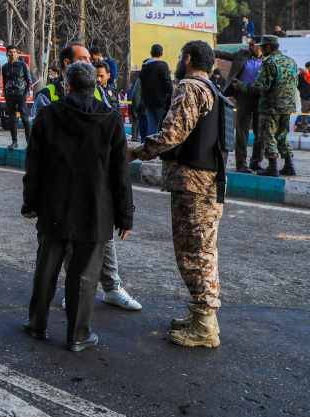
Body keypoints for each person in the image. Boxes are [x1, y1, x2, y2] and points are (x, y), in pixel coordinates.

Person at [23, 62, 133, 352]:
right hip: (94, 212)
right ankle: (78, 335)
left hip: (53, 207)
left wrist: (30, 203)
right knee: (85, 276)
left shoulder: (47, 116)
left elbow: (34, 166)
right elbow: (120, 174)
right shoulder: (110, 120)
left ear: (67, 85)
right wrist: (126, 216)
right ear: (95, 86)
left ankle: (37, 324)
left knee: (46, 268)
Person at [33, 43, 142, 311]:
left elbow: (113, 145)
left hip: (94, 186)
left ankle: (112, 287)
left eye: (91, 60)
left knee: (103, 240)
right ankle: (74, 293)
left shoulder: (100, 93)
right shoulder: (47, 96)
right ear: (66, 64)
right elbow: (38, 149)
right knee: (68, 244)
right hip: (62, 187)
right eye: (82, 59)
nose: (91, 63)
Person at [131, 40, 226, 348]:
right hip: (209, 181)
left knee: (193, 253)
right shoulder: (212, 89)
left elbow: (173, 134)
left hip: (192, 183)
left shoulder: (190, 87)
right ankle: (201, 315)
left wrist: (137, 151)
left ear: (187, 58)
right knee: (203, 250)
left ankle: (204, 326)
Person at [239, 35, 300, 177]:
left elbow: (261, 86)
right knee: (282, 135)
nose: (260, 49)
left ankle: (272, 167)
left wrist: (242, 86)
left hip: (271, 106)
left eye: (262, 46)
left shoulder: (269, 62)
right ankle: (289, 165)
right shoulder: (291, 61)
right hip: (288, 105)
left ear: (268, 47)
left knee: (268, 135)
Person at [217, 39, 263, 172]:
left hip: (261, 98)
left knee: (259, 132)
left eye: (256, 45)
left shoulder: (268, 58)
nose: (252, 46)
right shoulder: (242, 54)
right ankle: (241, 164)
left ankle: (256, 162)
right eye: (252, 44)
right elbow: (223, 54)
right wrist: (206, 50)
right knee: (242, 132)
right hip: (243, 97)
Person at [137, 44, 173, 138]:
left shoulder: (144, 66)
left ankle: (149, 148)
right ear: (161, 53)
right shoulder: (162, 65)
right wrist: (170, 95)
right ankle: (161, 150)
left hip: (148, 102)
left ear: (151, 52)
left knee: (151, 127)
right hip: (161, 102)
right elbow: (168, 84)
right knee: (163, 126)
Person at [2, 45, 34, 150]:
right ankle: (14, 142)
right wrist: (5, 95)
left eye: (14, 52)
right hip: (9, 96)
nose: (12, 54)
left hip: (21, 95)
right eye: (10, 52)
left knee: (25, 119)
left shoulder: (23, 65)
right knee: (12, 119)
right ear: (7, 53)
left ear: (17, 53)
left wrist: (26, 94)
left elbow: (29, 81)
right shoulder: (5, 67)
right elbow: (4, 81)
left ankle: (29, 143)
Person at [297, 62, 310, 133]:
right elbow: (297, 85)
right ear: (307, 67)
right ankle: (304, 127)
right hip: (305, 98)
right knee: (305, 113)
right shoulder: (301, 75)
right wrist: (303, 92)